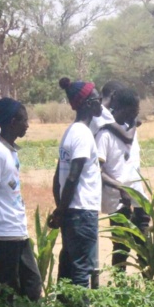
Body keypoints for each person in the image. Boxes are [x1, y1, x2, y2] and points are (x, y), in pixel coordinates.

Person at [0, 98, 42, 302]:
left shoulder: (9, 151)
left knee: (31, 284)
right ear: (13, 122)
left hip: (17, 229)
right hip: (3, 231)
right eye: (23, 120)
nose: (27, 124)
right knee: (7, 288)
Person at [50, 77, 103, 288]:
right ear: (89, 103)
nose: (101, 104)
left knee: (69, 266)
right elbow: (72, 177)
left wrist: (60, 209)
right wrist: (62, 211)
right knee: (82, 270)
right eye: (98, 99)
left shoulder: (70, 132)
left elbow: (58, 179)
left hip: (71, 210)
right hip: (82, 211)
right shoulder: (83, 135)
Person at [97, 88, 149, 270]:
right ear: (122, 108)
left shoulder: (132, 131)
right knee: (121, 248)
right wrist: (121, 187)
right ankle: (119, 290)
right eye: (135, 108)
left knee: (145, 246)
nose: (137, 112)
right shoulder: (105, 135)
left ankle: (150, 288)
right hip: (118, 202)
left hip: (139, 198)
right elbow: (98, 171)